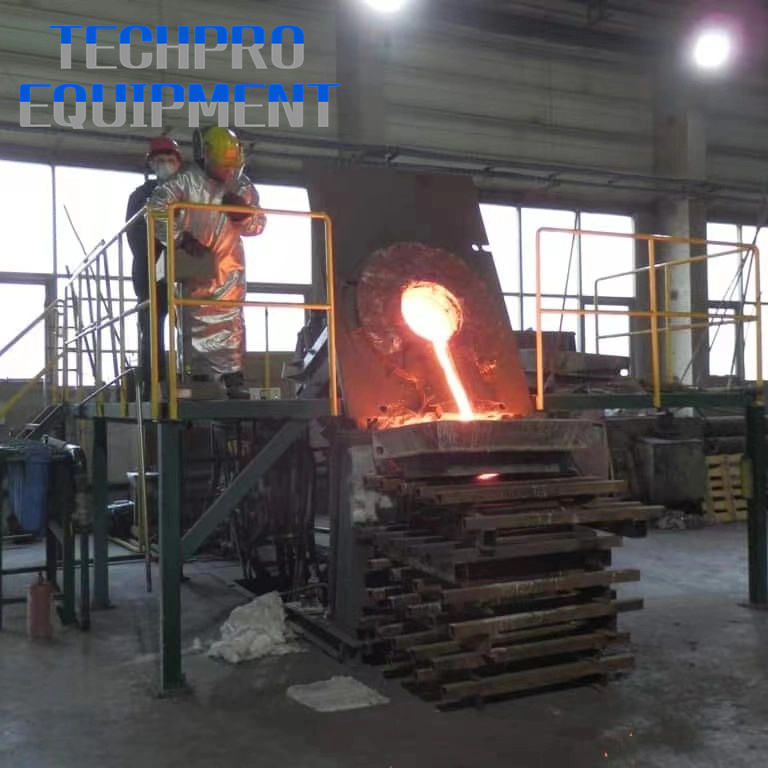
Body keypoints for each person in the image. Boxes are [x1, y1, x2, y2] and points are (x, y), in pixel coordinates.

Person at [147, 126, 266, 399]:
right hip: (196, 271)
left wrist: (244, 215)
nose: (226, 172)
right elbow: (156, 209)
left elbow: (259, 224)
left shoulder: (240, 185)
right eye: (222, 166)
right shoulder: (184, 181)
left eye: (230, 167)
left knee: (232, 321)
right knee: (191, 321)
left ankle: (233, 376)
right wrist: (181, 238)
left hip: (229, 270)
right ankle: (196, 375)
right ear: (206, 156)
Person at [125, 135, 182, 396]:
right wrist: (161, 251)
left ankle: (198, 377)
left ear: (178, 162)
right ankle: (153, 384)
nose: (165, 164)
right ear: (151, 164)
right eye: (160, 160)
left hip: (188, 272)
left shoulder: (189, 191)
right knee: (152, 327)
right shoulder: (140, 197)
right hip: (151, 272)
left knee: (195, 324)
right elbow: (135, 235)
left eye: (170, 159)